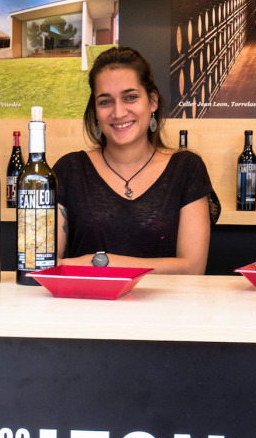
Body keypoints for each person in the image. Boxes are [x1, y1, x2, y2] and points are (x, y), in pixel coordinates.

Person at [53, 46, 219, 275]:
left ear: (152, 101)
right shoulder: (68, 170)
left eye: (130, 97)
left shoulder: (187, 169)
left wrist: (104, 262)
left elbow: (192, 268)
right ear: (96, 110)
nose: (118, 112)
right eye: (105, 101)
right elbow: (45, 263)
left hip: (165, 311)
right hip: (84, 307)